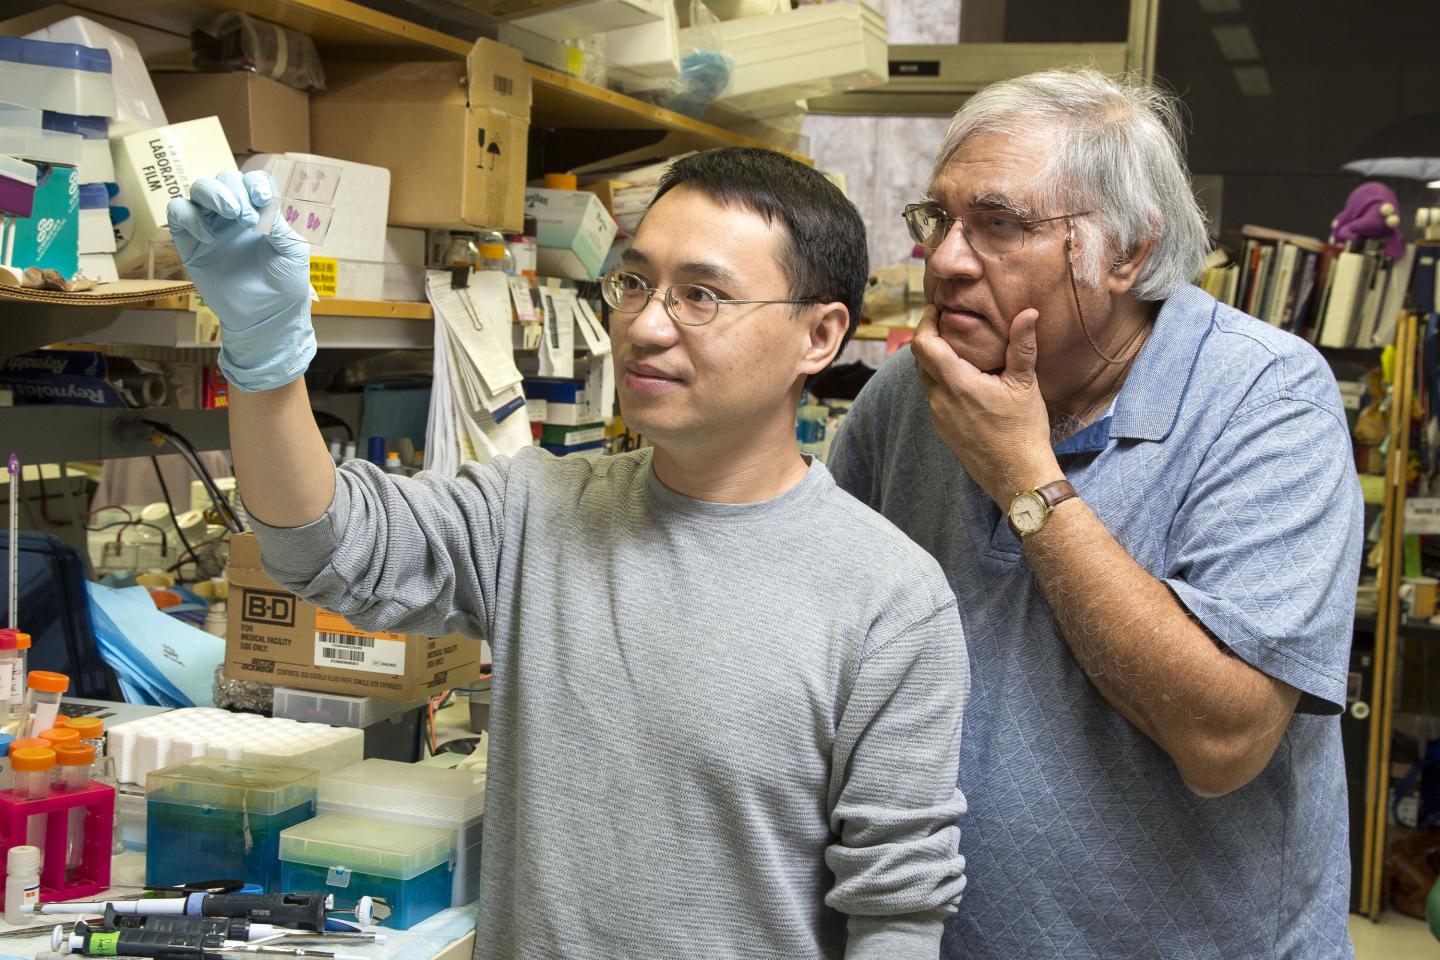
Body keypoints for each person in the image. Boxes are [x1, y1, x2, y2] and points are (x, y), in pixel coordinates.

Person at [167, 147, 970, 959]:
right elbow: (322, 543)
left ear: (820, 335)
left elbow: (895, 910)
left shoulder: (890, 598)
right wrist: (266, 357)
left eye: (701, 295)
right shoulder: (536, 511)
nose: (648, 325)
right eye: (634, 283)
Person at [829, 68, 1363, 959]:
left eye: (998, 224)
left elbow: (1224, 736)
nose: (947, 260)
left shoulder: (1267, 400)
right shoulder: (905, 396)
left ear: (1125, 254)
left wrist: (1026, 478)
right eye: (940, 221)